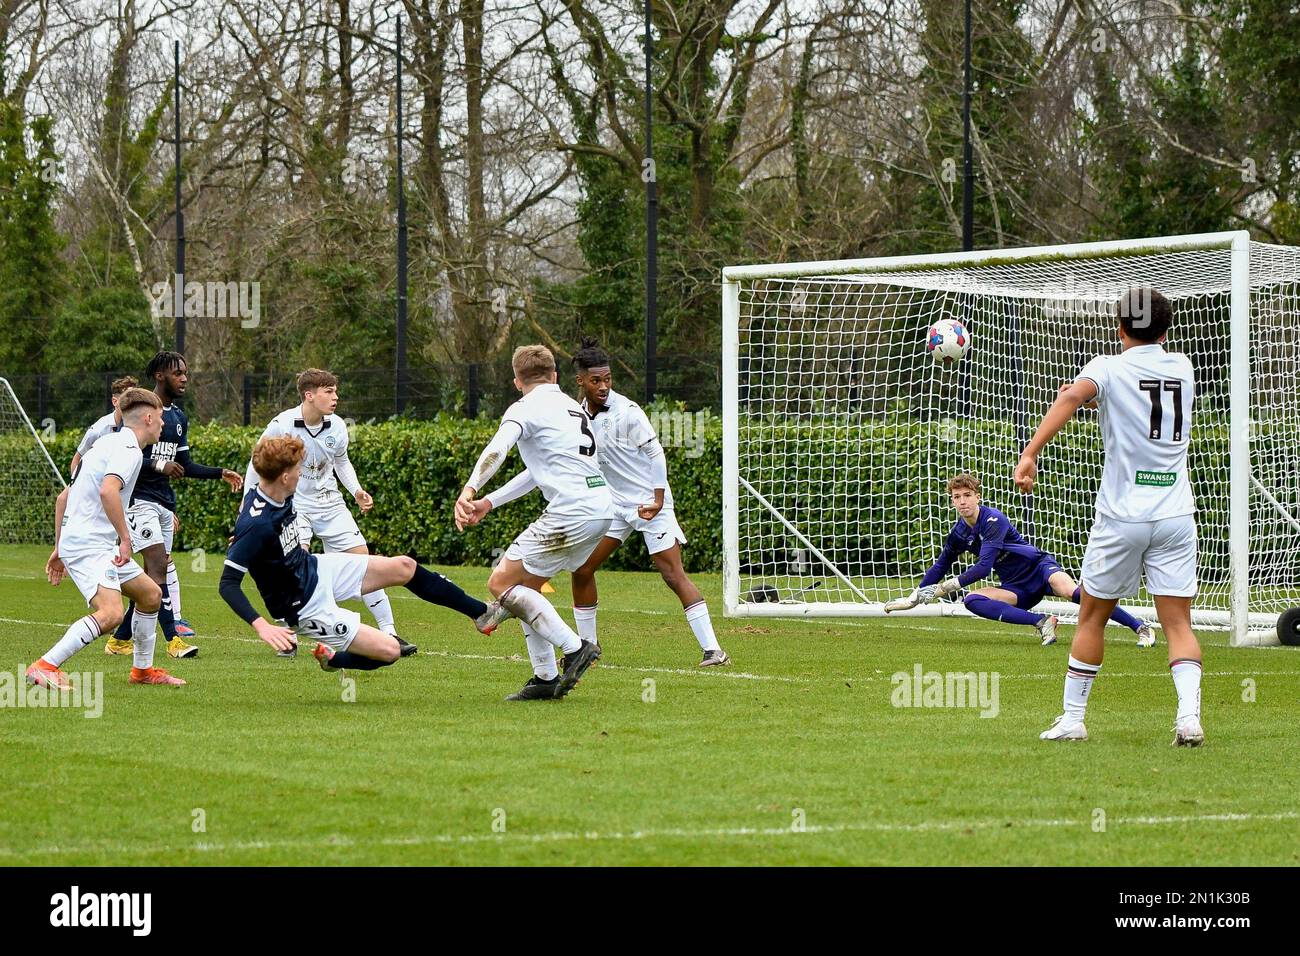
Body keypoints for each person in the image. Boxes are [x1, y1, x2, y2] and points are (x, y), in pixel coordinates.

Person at [1014, 288, 1203, 745]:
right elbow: (1144, 406)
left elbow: (1071, 398)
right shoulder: (1184, 367)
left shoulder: (1107, 368)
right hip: (1176, 513)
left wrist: (1030, 453)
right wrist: (1103, 402)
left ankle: (1074, 719)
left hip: (1123, 516)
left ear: (1120, 329)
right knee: (1179, 623)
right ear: (1166, 330)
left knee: (1092, 618)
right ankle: (1189, 718)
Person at [484, 338, 729, 665]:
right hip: (612, 506)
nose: (603, 386)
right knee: (582, 568)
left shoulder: (628, 411)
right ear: (580, 381)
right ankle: (588, 647)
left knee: (671, 573)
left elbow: (655, 453)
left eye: (608, 379)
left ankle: (714, 650)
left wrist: (657, 499)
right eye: (596, 380)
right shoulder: (575, 414)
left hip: (648, 502)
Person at [220, 436, 508, 673]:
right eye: (297, 469)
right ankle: (334, 659)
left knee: (404, 566)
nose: (301, 473)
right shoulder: (256, 525)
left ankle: (481, 614)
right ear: (284, 477)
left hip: (314, 568)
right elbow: (228, 583)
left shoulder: (274, 491)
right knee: (390, 650)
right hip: (303, 606)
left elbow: (258, 536)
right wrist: (261, 626)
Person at [455, 345, 612, 701]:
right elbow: (537, 471)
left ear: (516, 381)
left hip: (572, 509)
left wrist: (469, 489)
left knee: (500, 583)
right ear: (554, 376)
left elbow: (497, 449)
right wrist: (489, 502)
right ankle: (545, 677)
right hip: (600, 507)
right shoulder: (573, 408)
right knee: (527, 589)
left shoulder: (524, 408)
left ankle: (575, 649)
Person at [243, 369, 414, 656]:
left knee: (365, 563)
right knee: (294, 570)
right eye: (328, 391)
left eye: (335, 391)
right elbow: (255, 465)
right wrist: (247, 509)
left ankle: (390, 632)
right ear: (309, 395)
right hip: (295, 506)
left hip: (331, 505)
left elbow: (341, 462)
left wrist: (357, 491)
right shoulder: (281, 425)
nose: (335, 397)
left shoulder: (337, 425)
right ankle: (288, 638)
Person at [29, 388, 186, 689]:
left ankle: (142, 671)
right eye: (161, 420)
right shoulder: (128, 451)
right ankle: (45, 665)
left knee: (151, 595)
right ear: (149, 418)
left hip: (89, 543)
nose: (164, 425)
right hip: (91, 545)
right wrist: (126, 540)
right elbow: (107, 491)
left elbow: (66, 497)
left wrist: (60, 547)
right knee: (112, 613)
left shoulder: (107, 442)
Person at [884, 473, 1155, 647]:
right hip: (1016, 586)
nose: (963, 501)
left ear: (977, 496)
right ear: (952, 502)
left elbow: (983, 567)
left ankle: (1140, 627)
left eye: (968, 495)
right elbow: (941, 565)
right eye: (957, 497)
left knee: (1071, 592)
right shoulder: (958, 533)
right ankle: (1041, 621)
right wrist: (913, 598)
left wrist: (944, 588)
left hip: (1038, 568)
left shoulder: (993, 519)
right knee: (972, 600)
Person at [108, 351, 243, 659]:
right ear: (159, 376)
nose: (184, 378)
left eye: (186, 373)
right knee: (158, 568)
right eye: (177, 373)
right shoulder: (140, 411)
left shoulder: (179, 418)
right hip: (138, 501)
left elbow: (184, 465)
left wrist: (219, 473)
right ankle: (173, 639)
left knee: (154, 577)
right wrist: (158, 466)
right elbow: (125, 455)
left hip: (164, 504)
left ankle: (119, 639)